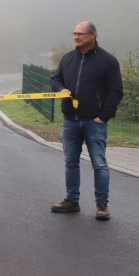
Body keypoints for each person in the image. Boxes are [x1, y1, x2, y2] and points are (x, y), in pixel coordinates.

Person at [50, 21, 123, 221]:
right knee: (70, 162)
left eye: (81, 34)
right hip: (70, 121)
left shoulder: (108, 61)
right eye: (74, 34)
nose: (76, 37)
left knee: (99, 164)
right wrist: (60, 89)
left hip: (94, 122)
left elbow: (116, 91)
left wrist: (103, 117)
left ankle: (102, 205)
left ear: (93, 35)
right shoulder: (68, 58)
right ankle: (72, 201)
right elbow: (55, 79)